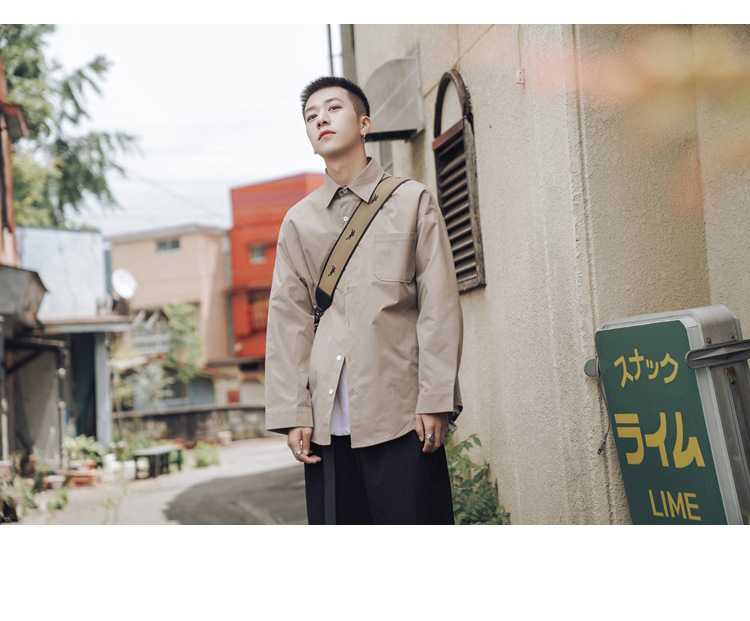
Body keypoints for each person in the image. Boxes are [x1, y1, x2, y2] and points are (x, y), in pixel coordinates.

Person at [264, 75, 463, 524]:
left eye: (333, 109)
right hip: (326, 427)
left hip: (402, 415)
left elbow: (438, 306)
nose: (321, 119)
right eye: (311, 116)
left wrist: (435, 398)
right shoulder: (298, 222)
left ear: (364, 123)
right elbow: (288, 321)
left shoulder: (412, 201)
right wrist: (294, 413)